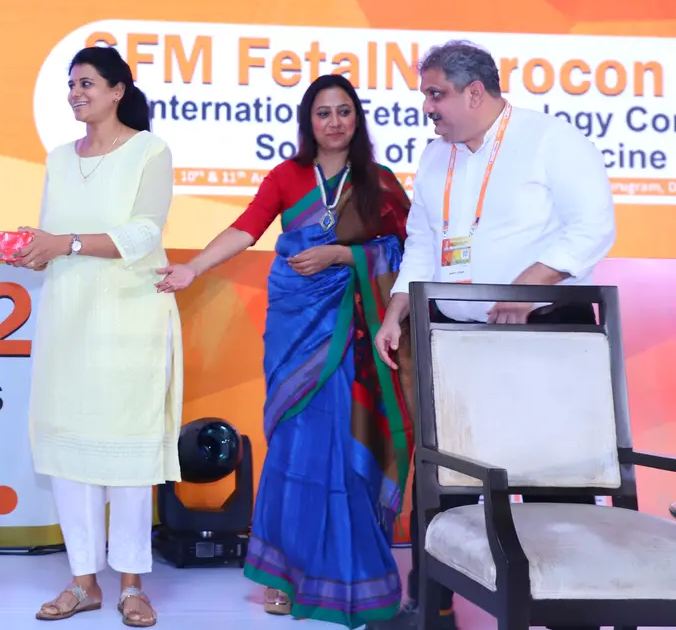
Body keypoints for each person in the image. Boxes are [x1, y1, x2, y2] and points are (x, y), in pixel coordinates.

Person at [369, 40, 616, 630]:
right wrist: (396, 310)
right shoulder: (436, 156)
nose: (427, 108)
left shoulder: (550, 139)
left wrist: (525, 288)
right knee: (446, 476)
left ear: (475, 92)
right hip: (456, 338)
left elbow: (593, 226)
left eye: (436, 94)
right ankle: (431, 608)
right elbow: (424, 242)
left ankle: (570, 615)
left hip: (543, 334)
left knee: (556, 479)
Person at [156, 73, 414, 629]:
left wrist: (343, 257)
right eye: (323, 113)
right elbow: (247, 228)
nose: (334, 122)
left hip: (353, 335)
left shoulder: (378, 183)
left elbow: (409, 252)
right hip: (295, 328)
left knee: (345, 446)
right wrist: (193, 267)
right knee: (294, 449)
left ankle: (345, 572)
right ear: (308, 121)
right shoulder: (286, 176)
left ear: (357, 118)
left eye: (344, 111)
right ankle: (285, 575)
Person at [14, 44, 182, 628]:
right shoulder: (60, 158)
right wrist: (33, 249)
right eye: (71, 83)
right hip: (68, 317)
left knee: (128, 449)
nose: (75, 93)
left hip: (131, 320)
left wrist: (65, 243)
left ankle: (132, 584)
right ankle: (82, 581)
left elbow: (143, 234)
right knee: (71, 449)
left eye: (87, 83)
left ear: (117, 91)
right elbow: (53, 235)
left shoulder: (150, 150)